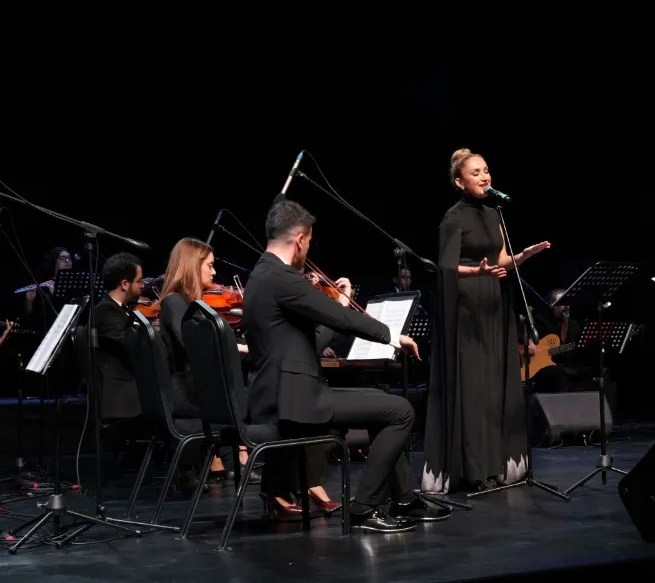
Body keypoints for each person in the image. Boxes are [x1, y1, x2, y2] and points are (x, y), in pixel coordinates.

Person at [242, 198, 445, 532]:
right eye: (309, 241)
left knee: (383, 402)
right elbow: (338, 317)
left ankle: (405, 499)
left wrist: (338, 305)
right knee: (401, 411)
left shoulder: (261, 275)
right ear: (300, 240)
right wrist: (392, 336)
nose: (308, 249)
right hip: (296, 401)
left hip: (286, 394)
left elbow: (310, 339)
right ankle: (363, 508)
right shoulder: (282, 277)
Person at [422, 148, 551, 494]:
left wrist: (523, 256)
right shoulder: (453, 217)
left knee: (494, 387)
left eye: (486, 170)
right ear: (459, 182)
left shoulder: (495, 212)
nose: (484, 177)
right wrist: (475, 271)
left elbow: (501, 259)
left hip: (494, 303)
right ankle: (472, 468)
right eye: (475, 173)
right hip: (466, 308)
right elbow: (444, 267)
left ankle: (495, 464)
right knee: (474, 388)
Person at [157, 238, 255, 482]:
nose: (214, 272)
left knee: (245, 389)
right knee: (252, 399)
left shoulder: (187, 303)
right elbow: (195, 347)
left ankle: (227, 459)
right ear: (192, 266)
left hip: (193, 387)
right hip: (185, 391)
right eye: (209, 265)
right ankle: (240, 457)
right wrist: (237, 347)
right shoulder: (174, 302)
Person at [92, 252, 145, 421]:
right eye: (139, 281)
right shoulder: (106, 311)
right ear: (124, 284)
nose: (143, 285)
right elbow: (130, 348)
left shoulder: (117, 308)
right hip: (124, 396)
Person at [528, 288, 586, 393]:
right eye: (563, 303)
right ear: (552, 305)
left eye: (568, 303)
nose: (567, 307)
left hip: (567, 365)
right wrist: (529, 341)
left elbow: (579, 350)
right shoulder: (539, 320)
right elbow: (521, 332)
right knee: (556, 373)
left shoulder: (574, 326)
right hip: (543, 368)